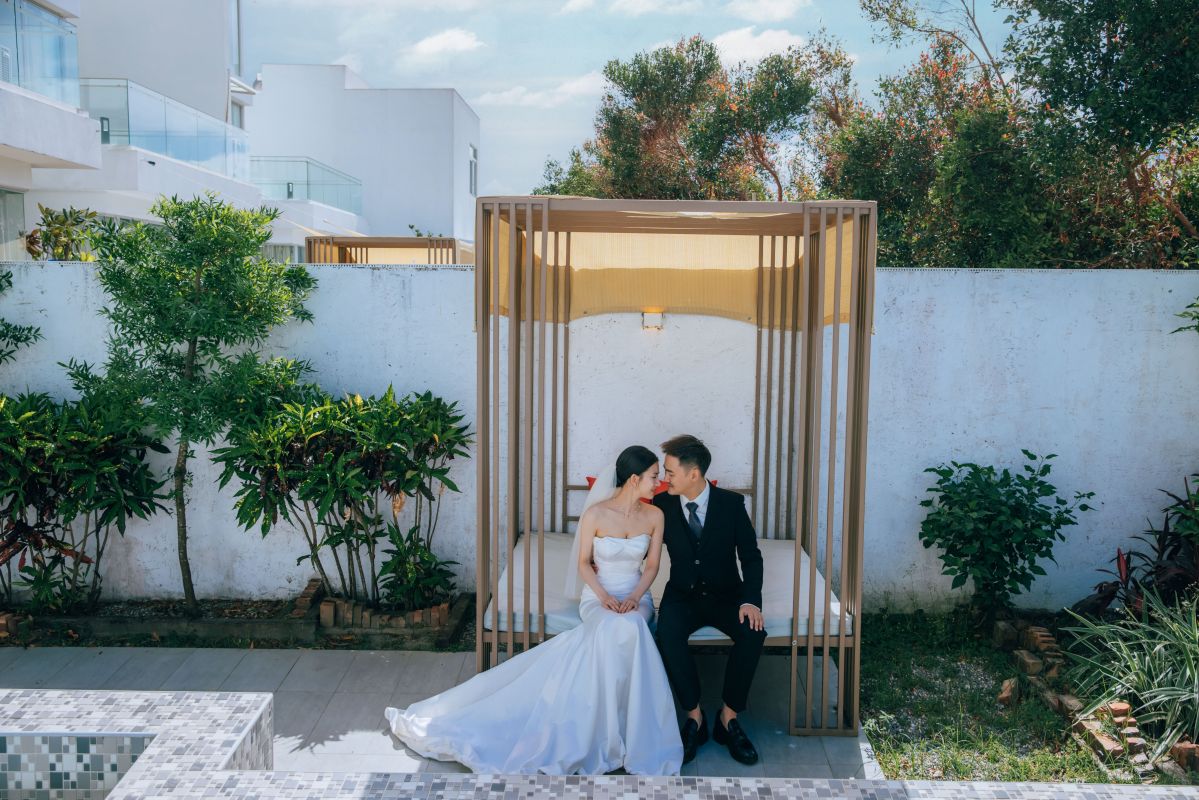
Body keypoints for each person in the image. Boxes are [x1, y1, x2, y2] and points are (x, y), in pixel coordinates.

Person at [384, 445, 683, 775]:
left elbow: (652, 566)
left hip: (636, 596)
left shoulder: (655, 516)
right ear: (634, 479)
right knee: (617, 627)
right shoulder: (596, 515)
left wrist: (635, 598)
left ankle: (629, 729)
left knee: (632, 625)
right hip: (599, 596)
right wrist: (604, 597)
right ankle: (607, 728)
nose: (658, 483)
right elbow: (584, 564)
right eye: (654, 477)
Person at [652, 434, 766, 766]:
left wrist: (750, 600)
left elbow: (751, 557)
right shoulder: (662, 505)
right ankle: (695, 717)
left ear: (694, 473)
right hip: (682, 596)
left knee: (753, 632)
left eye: (670, 472)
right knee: (667, 634)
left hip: (726, 595)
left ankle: (728, 718)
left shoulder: (731, 505)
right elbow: (642, 546)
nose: (665, 478)